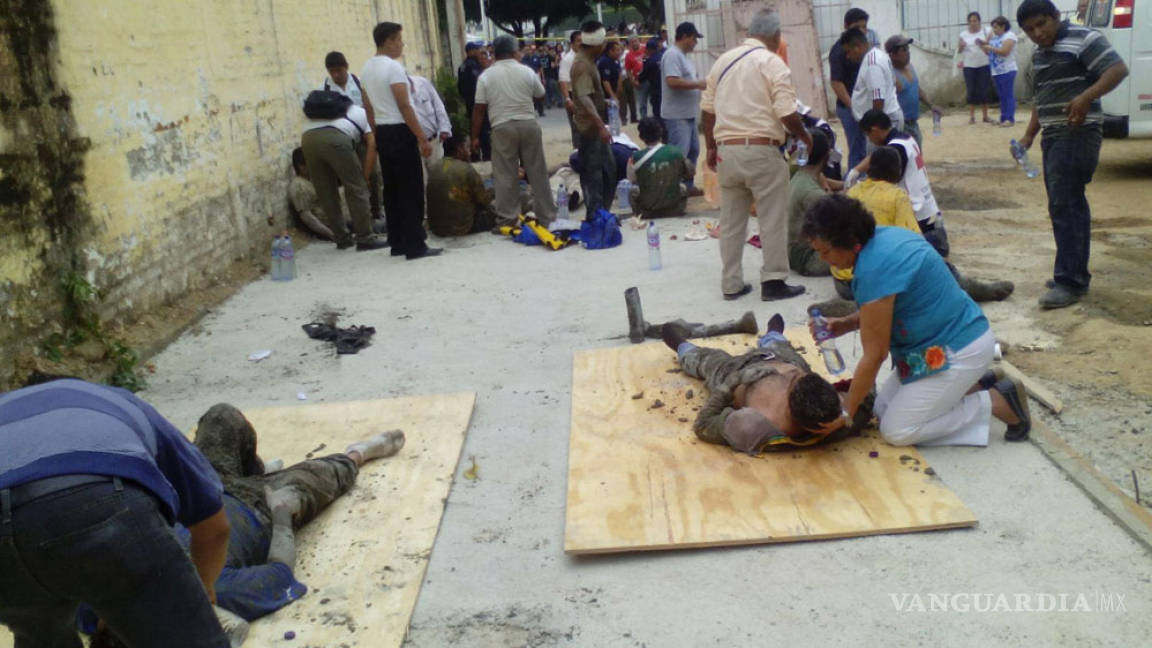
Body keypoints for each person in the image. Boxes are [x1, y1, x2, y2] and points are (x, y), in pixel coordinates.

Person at [0, 378, 233, 647]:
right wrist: (198, 593)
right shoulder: (119, 401)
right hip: (93, 503)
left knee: (38, 633)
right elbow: (215, 528)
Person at [801, 194, 1033, 447]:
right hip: (932, 348)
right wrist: (846, 324)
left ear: (847, 240)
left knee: (897, 431)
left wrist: (846, 413)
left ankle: (996, 402)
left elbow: (875, 355)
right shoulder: (883, 237)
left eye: (825, 251)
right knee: (882, 410)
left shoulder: (874, 268)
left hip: (957, 348)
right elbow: (887, 309)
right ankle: (974, 384)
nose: (824, 259)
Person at [1014, 0, 1128, 309]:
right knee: (1064, 205)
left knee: (1067, 205)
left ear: (1055, 17)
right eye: (1030, 30)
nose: (1038, 33)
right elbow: (1042, 97)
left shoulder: (1085, 38)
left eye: (1042, 24)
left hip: (1078, 133)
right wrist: (1028, 135)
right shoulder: (1039, 56)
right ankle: (1072, 272)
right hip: (1053, 136)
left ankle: (1070, 281)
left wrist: (1084, 97)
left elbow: (1117, 69)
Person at [701, 9, 811, 302]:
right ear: (775, 36)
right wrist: (805, 136)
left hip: (727, 150)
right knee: (772, 217)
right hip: (762, 149)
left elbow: (707, 111)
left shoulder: (723, 62)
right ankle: (774, 281)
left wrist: (711, 147)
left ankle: (731, 282)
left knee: (732, 219)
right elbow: (787, 112)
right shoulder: (772, 63)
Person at [660, 314, 858, 454]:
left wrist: (731, 383)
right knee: (779, 344)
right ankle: (773, 335)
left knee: (702, 360)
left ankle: (682, 346)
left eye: (790, 380)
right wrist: (846, 416)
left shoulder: (755, 426)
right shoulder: (835, 410)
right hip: (781, 356)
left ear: (790, 409)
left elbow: (703, 425)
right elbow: (867, 395)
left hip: (732, 370)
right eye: (795, 376)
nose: (787, 376)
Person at [361, 22, 441, 259]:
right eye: (398, 40)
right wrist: (422, 138)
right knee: (411, 189)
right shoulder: (393, 69)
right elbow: (405, 106)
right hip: (400, 130)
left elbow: (368, 107)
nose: (401, 45)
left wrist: (375, 133)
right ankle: (415, 244)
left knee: (392, 188)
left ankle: (397, 241)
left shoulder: (366, 69)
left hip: (383, 132)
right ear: (387, 41)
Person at [471, 35, 556, 228]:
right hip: (528, 124)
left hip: (502, 127)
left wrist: (475, 136)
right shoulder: (526, 71)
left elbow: (479, 109)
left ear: (495, 53)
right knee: (537, 172)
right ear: (513, 52)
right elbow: (541, 95)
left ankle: (508, 220)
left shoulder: (486, 76)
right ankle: (547, 217)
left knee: (505, 175)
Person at [300, 91, 389, 251]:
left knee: (326, 192)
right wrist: (366, 177)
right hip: (336, 139)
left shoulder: (325, 112)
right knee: (356, 189)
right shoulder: (364, 114)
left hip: (308, 139)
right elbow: (372, 145)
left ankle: (342, 238)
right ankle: (365, 238)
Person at [321, 51, 383, 222]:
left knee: (372, 174)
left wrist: (372, 130)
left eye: (339, 70)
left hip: (363, 136)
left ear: (346, 67)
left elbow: (369, 107)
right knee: (351, 180)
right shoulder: (325, 89)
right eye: (332, 71)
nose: (336, 75)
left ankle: (377, 212)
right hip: (342, 140)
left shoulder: (358, 83)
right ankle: (360, 217)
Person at [569, 21, 616, 219]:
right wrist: (600, 126)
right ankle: (595, 216)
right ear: (598, 44)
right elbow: (584, 98)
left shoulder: (589, 61)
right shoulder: (581, 65)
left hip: (595, 128)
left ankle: (601, 213)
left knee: (607, 171)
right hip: (589, 130)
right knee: (593, 175)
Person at [828, 8, 880, 170]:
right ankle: (853, 187)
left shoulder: (868, 50)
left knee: (869, 149)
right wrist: (853, 107)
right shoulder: (839, 51)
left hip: (864, 107)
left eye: (865, 27)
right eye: (858, 27)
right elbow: (836, 83)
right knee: (857, 151)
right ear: (846, 26)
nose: (863, 31)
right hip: (849, 108)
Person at [661, 22, 707, 195]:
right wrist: (698, 84)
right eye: (694, 39)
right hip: (676, 114)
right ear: (686, 36)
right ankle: (673, 189)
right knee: (680, 153)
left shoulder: (684, 57)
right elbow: (672, 81)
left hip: (688, 113)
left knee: (693, 150)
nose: (695, 43)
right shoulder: (672, 55)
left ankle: (687, 186)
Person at [426, 137, 497, 236]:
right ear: (459, 149)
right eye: (467, 148)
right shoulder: (466, 169)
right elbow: (484, 200)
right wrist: (495, 191)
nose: (469, 152)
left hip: (436, 228)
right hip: (460, 228)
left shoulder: (434, 167)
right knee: (500, 210)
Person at [787, 129, 833, 278]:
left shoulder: (798, 176)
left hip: (791, 251)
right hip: (808, 259)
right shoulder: (813, 193)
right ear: (827, 156)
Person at [842, 29, 904, 139]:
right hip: (885, 119)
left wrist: (874, 128)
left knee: (880, 156)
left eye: (848, 52)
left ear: (857, 47)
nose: (847, 56)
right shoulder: (876, 55)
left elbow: (878, 98)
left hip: (883, 123)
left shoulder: (872, 63)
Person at [626, 117, 692, 218]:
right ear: (661, 132)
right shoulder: (676, 152)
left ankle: (638, 214)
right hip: (674, 210)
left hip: (647, 212)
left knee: (632, 190)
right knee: (683, 187)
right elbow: (690, 172)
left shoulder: (635, 158)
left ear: (641, 137)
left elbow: (632, 179)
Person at [409, 73, 453, 220]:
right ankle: (427, 217)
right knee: (421, 183)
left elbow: (438, 106)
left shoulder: (422, 83)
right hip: (412, 145)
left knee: (440, 178)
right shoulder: (393, 95)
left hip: (434, 140)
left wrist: (444, 128)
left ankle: (443, 212)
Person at [886, 35, 940, 147]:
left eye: (908, 49)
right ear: (893, 55)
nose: (908, 53)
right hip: (900, 125)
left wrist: (931, 105)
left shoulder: (910, 67)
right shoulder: (890, 74)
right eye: (904, 50)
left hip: (913, 123)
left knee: (916, 158)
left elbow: (917, 89)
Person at [288, 147, 336, 240]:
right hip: (326, 228)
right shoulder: (298, 186)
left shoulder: (310, 180)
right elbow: (307, 217)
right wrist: (331, 234)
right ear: (301, 166)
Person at [980, 16, 1018, 127]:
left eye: (996, 27)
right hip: (996, 71)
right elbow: (990, 53)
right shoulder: (995, 38)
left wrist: (990, 47)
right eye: (993, 28)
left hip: (1007, 69)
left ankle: (1009, 118)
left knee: (1008, 94)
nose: (994, 30)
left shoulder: (1009, 36)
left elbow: (1005, 51)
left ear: (1003, 26)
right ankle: (1003, 118)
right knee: (1002, 96)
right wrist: (984, 46)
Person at [958, 12, 994, 125]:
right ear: (968, 22)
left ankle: (985, 116)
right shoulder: (963, 34)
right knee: (971, 90)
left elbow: (993, 36)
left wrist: (985, 41)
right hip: (969, 65)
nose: (973, 23)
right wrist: (961, 47)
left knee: (984, 89)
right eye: (971, 21)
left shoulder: (985, 31)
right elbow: (959, 50)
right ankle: (972, 117)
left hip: (984, 64)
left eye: (975, 20)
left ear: (979, 21)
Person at [457, 42, 491, 161]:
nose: (478, 52)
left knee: (474, 131)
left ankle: (476, 156)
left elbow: (460, 89)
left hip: (469, 105)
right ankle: (486, 157)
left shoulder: (462, 66)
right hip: (478, 106)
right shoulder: (473, 67)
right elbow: (479, 87)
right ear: (470, 51)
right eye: (477, 49)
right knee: (483, 133)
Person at [559, 30, 583, 148]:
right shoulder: (568, 59)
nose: (581, 43)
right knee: (576, 128)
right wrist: (568, 99)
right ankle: (578, 154)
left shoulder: (586, 57)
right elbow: (563, 80)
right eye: (578, 41)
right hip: (573, 95)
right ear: (572, 43)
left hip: (586, 94)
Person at [638, 39, 663, 119]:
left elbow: (642, 76)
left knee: (657, 113)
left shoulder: (650, 61)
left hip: (656, 91)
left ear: (650, 49)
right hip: (665, 89)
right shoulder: (663, 56)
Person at [622, 37, 644, 123]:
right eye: (632, 42)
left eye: (636, 41)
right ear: (630, 44)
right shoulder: (628, 55)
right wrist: (633, 81)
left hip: (649, 79)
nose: (634, 43)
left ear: (639, 41)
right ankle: (644, 120)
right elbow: (628, 70)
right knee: (642, 103)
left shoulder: (645, 49)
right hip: (638, 81)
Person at [597, 40, 624, 107]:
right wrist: (613, 96)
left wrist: (619, 88)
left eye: (620, 50)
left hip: (615, 92)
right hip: (606, 96)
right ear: (610, 51)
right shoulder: (605, 61)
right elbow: (605, 81)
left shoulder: (616, 60)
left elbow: (619, 72)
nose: (619, 52)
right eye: (617, 50)